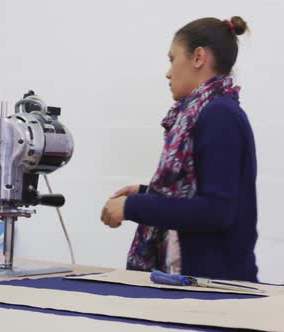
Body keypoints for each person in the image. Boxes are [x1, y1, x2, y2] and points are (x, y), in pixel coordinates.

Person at [101, 16, 258, 282]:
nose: (168, 72)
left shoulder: (219, 115)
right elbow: (198, 193)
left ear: (198, 58)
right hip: (199, 282)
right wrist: (146, 192)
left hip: (218, 289)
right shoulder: (204, 113)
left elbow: (217, 211)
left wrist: (133, 206)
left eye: (172, 59)